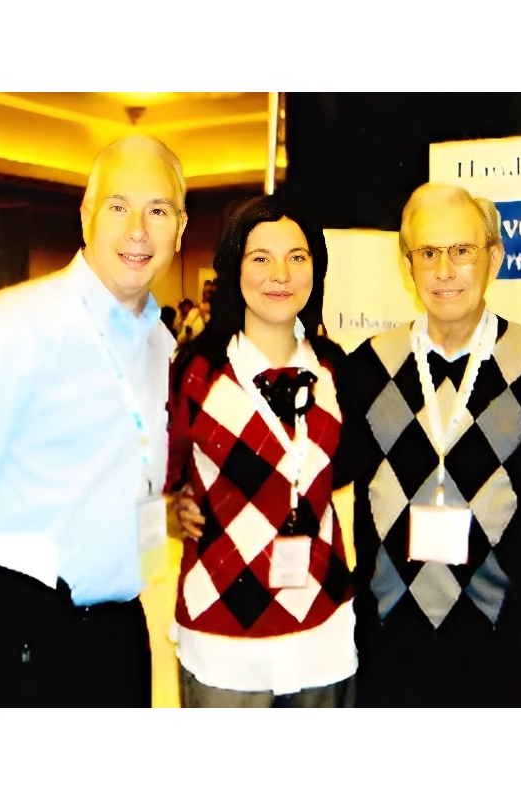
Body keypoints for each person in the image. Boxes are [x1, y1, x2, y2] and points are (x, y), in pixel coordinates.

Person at [0, 135, 188, 710]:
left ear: (181, 226)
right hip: (15, 632)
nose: (138, 230)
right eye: (119, 206)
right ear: (86, 216)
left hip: (115, 633)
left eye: (158, 210)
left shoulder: (157, 345)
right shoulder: (12, 327)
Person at [340, 183, 521, 710]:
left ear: (494, 258)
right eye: (429, 253)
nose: (444, 271)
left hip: (505, 642)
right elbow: (319, 467)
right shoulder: (370, 365)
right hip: (390, 637)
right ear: (408, 265)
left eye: (462, 251)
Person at [168, 195, 355, 710]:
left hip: (322, 619)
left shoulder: (337, 371)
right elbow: (155, 475)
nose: (281, 274)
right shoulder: (195, 372)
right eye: (261, 257)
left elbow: (346, 470)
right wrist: (170, 509)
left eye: (297, 257)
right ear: (234, 266)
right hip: (224, 626)